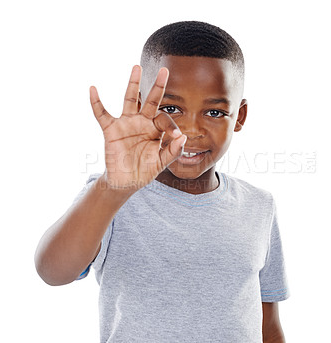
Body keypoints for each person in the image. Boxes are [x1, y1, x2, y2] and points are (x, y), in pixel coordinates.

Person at [34, 21, 289, 343]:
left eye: (213, 113)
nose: (189, 131)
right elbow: (53, 273)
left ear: (239, 116)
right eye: (171, 108)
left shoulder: (259, 205)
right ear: (142, 108)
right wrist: (113, 190)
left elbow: (267, 322)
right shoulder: (110, 196)